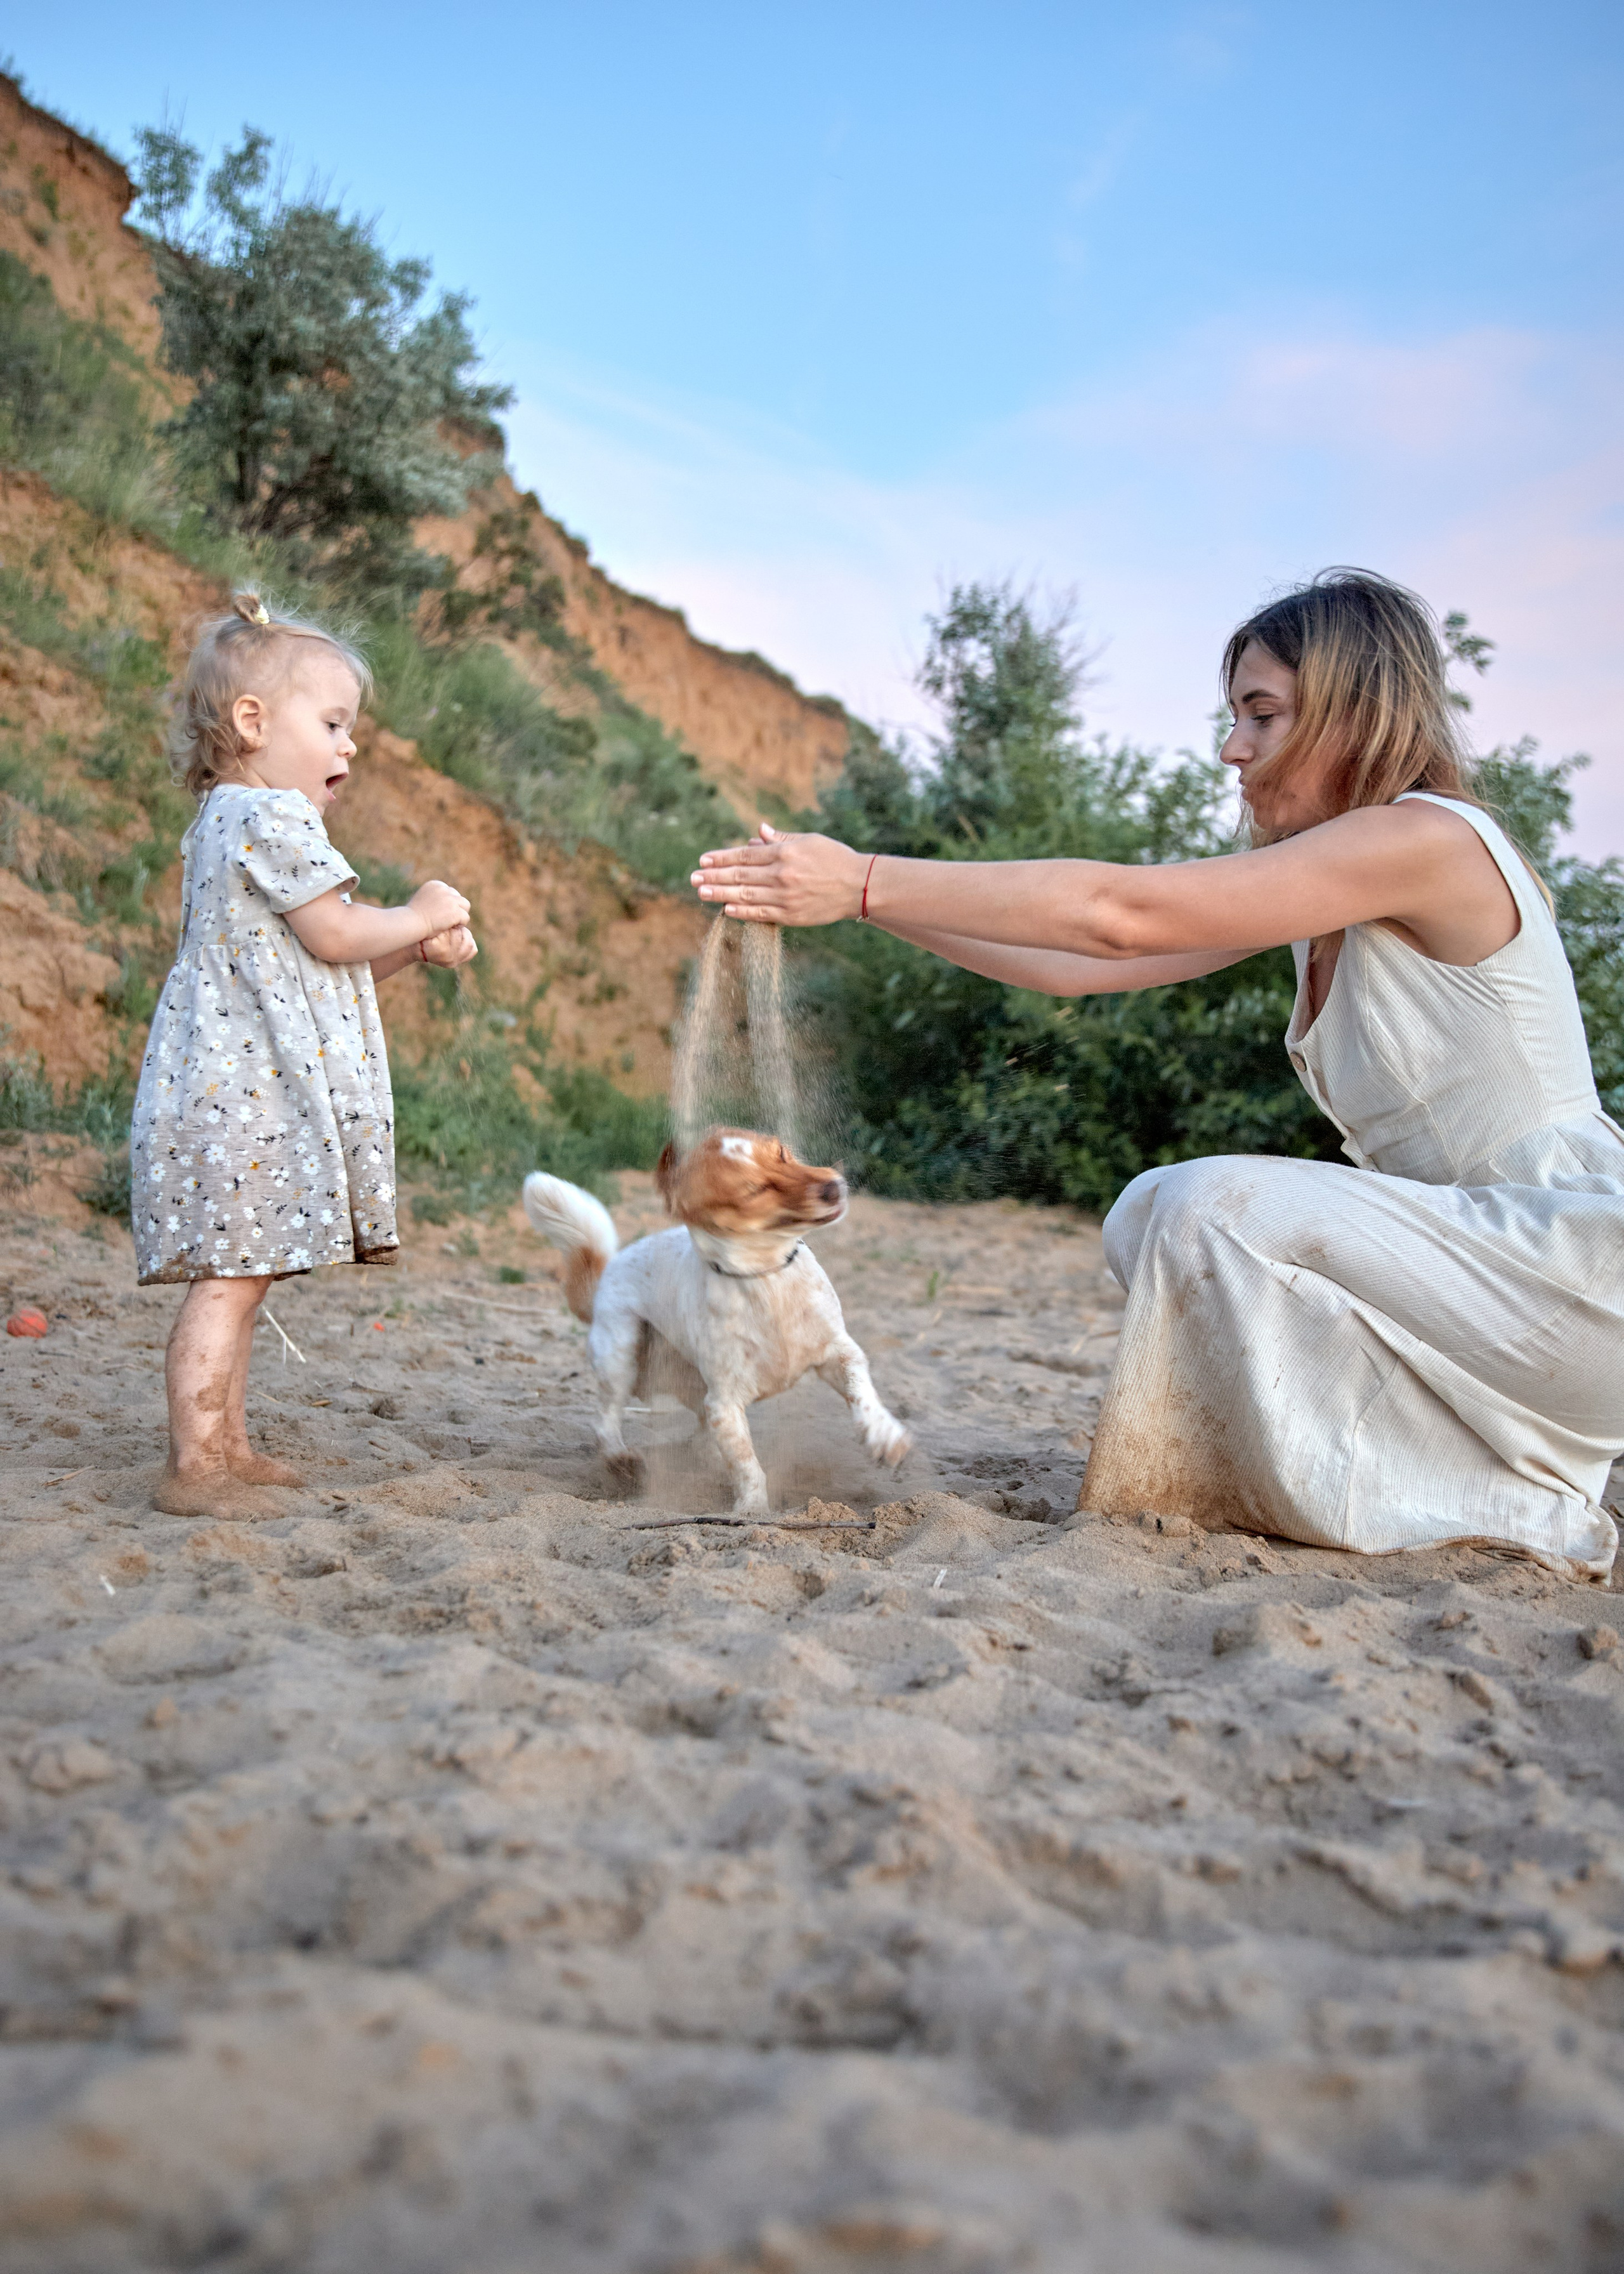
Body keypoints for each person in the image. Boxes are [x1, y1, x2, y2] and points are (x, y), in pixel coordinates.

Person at [690, 569, 1624, 1579]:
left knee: (1202, 1207)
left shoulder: (1427, 840)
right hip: (1483, 1285)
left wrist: (865, 873)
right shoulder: (1333, 894)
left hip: (1573, 1274)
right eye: (1235, 719)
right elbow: (1092, 962)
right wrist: (865, 904)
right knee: (1148, 1216)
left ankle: (1511, 1505)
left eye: (1262, 716)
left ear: (1358, 710)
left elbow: (1121, 913)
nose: (1233, 750)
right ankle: (1483, 1487)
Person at [131, 591, 478, 1518]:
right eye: (331, 723)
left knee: (241, 1277)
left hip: (230, 1088)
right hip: (242, 1097)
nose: (349, 747)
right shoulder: (271, 820)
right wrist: (426, 909)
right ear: (252, 723)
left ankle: (227, 1444)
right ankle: (195, 1465)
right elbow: (333, 931)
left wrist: (408, 946)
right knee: (230, 1282)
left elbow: (321, 972)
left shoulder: (225, 818)